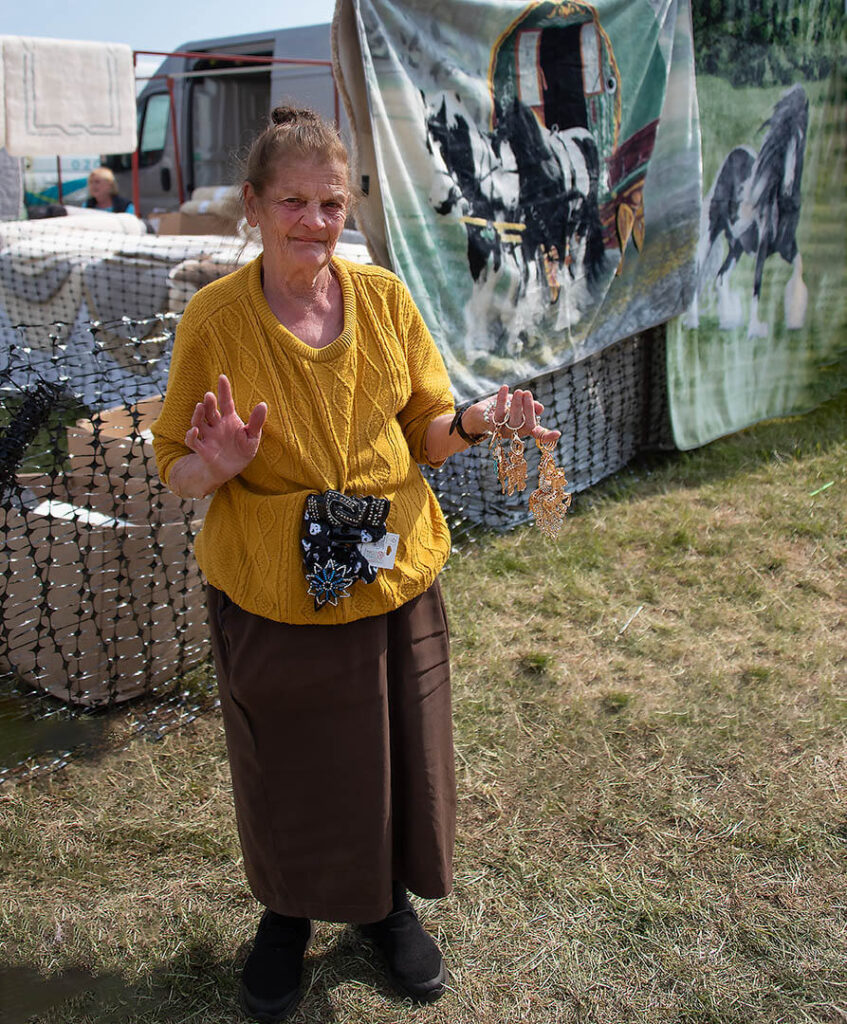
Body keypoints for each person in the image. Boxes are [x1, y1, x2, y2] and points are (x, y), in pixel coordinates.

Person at [151, 105, 560, 1022]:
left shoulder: (382, 300)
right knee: (292, 756)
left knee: (398, 748)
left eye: (330, 202)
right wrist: (209, 467)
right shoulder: (214, 320)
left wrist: (481, 420)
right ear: (252, 206)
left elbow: (424, 429)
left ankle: (386, 906)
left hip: (388, 565)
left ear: (349, 208)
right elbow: (173, 463)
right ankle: (287, 917)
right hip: (271, 580)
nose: (313, 221)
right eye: (291, 200)